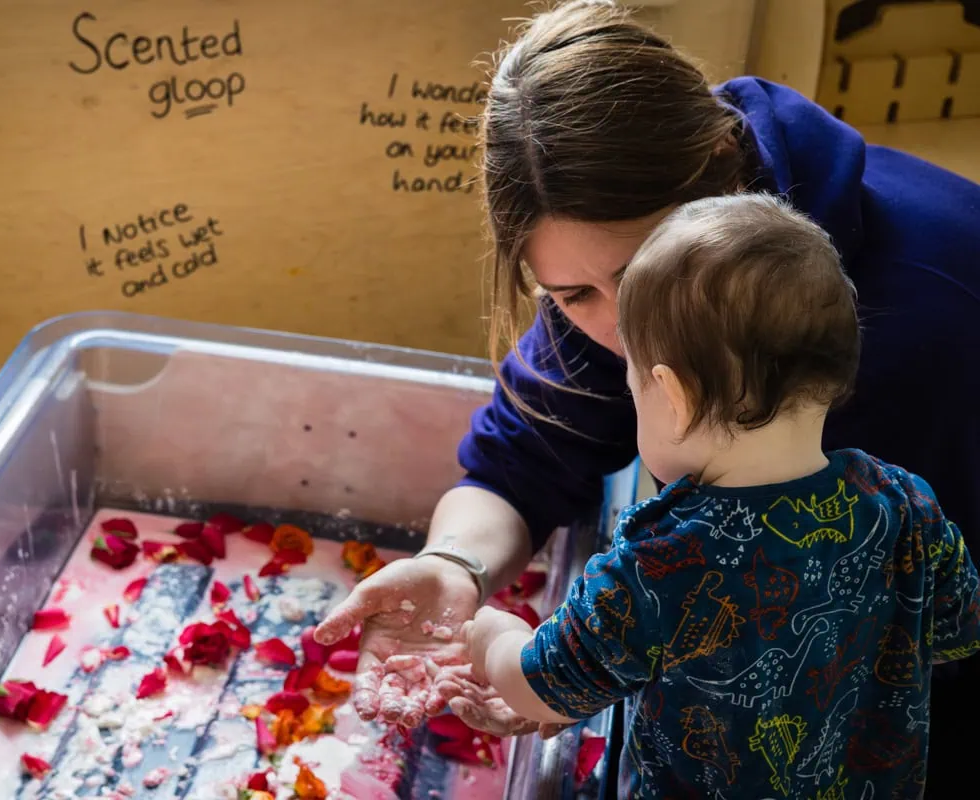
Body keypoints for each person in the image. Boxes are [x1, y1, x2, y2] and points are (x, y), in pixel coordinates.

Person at [314, 1, 980, 793]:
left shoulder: (925, 325)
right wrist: (454, 567)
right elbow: (525, 457)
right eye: (571, 295)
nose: (624, 337)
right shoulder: (654, 280)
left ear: (724, 179)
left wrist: (527, 656)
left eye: (631, 281)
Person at [444, 191, 980, 798]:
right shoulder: (907, 502)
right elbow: (951, 636)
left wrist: (492, 637)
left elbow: (543, 685)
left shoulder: (660, 560)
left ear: (673, 395)